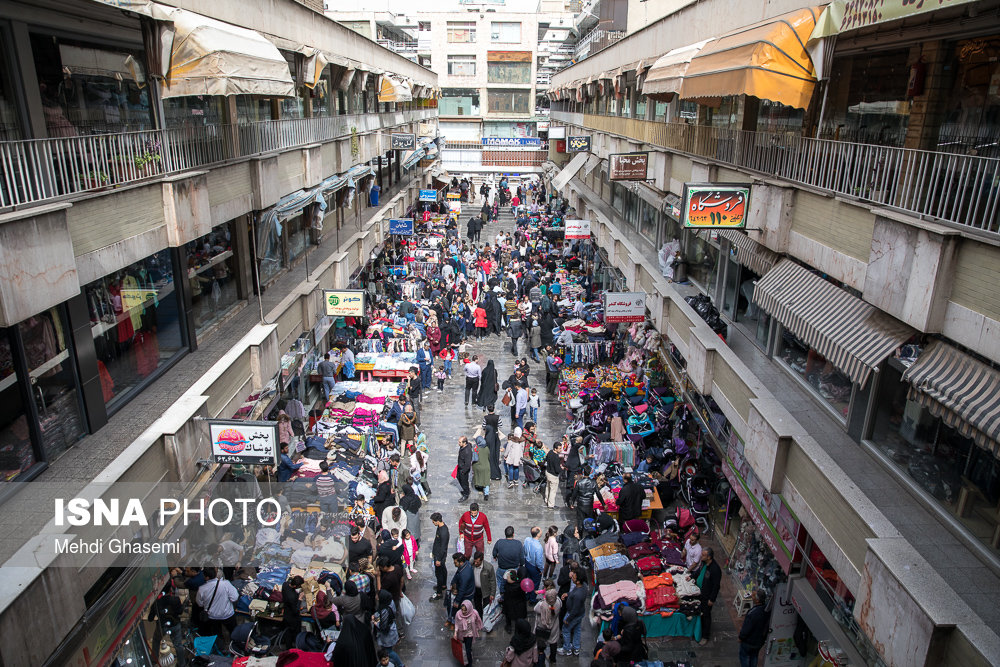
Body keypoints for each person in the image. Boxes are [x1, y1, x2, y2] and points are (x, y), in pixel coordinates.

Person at [196, 567, 239, 640]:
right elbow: (235, 597)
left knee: (217, 635)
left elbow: (200, 604)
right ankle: (235, 646)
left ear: (206, 577)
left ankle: (220, 648)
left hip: (213, 616)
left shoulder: (201, 589)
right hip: (227, 614)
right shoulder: (225, 584)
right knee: (234, 632)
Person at [558, 568, 587, 656]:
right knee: (577, 630)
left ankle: (567, 649)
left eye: (574, 578)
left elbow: (575, 610)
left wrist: (568, 619)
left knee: (566, 630)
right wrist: (568, 594)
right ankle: (576, 648)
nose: (572, 578)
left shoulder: (578, 595)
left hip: (573, 614)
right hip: (580, 613)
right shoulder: (583, 586)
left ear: (578, 581)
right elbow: (573, 593)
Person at [738, 589, 770, 667]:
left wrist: (741, 637)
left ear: (757, 600)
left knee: (744, 656)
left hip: (749, 641)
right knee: (754, 656)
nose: (751, 597)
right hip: (759, 641)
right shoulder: (767, 610)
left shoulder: (753, 613)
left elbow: (747, 629)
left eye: (753, 596)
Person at [698, 547, 722, 646]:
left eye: (703, 555)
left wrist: (712, 599)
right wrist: (691, 577)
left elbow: (716, 586)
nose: (701, 556)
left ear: (709, 557)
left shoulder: (715, 569)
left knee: (706, 615)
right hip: (700, 593)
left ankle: (705, 636)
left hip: (707, 597)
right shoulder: (704, 564)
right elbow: (699, 572)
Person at [493, 526, 525, 597]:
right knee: (515, 580)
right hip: (515, 569)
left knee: (500, 581)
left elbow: (494, 553)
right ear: (513, 534)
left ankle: (502, 594)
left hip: (502, 569)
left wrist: (495, 557)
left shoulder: (499, 542)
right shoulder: (518, 544)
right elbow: (522, 558)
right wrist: (521, 565)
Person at [374, 590, 403, 666]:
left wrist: (375, 622)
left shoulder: (384, 610)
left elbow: (383, 625)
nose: (377, 597)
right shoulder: (390, 602)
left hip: (387, 635)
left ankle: (400, 664)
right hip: (391, 629)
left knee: (388, 651)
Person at [533, 588, 561, 665]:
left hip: (542, 628)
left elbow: (535, 609)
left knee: (540, 642)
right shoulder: (558, 602)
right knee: (553, 642)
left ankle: (539, 657)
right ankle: (553, 658)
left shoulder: (541, 605)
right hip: (553, 627)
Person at [453, 600, 484, 667]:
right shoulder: (458, 614)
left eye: (465, 610)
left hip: (470, 634)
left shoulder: (474, 613)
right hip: (461, 634)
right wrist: (455, 633)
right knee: (464, 647)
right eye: (462, 610)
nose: (463, 612)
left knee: (467, 650)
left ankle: (469, 664)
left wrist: (477, 628)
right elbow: (457, 624)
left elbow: (478, 621)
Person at [430, 513, 450, 602]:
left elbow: (443, 547)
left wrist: (438, 559)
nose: (433, 523)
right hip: (438, 553)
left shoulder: (444, 532)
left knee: (439, 574)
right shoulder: (440, 528)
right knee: (443, 569)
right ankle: (443, 585)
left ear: (438, 521)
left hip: (440, 556)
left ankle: (439, 593)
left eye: (433, 522)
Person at [502, 568, 528, 633]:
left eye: (508, 577)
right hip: (519, 606)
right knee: (518, 618)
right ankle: (518, 629)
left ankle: (509, 626)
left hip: (509, 605)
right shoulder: (521, 585)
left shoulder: (508, 587)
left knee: (508, 616)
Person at [523, 527, 544, 603]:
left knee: (529, 580)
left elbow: (524, 550)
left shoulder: (527, 540)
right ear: (538, 534)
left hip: (527, 562)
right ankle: (532, 599)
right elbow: (539, 561)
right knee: (535, 583)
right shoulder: (538, 547)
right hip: (534, 567)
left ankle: (527, 595)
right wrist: (541, 569)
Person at [472, 551, 496, 615]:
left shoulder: (488, 567)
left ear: (481, 560)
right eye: (475, 561)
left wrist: (492, 594)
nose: (476, 563)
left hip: (485, 590)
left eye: (477, 562)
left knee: (486, 607)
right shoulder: (472, 564)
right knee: (477, 605)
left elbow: (492, 581)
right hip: (476, 590)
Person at [472, 434, 492, 502]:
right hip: (486, 466)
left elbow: (473, 458)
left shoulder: (476, 448)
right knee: (486, 481)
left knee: (478, 477)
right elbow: (489, 457)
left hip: (478, 466)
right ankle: (486, 494)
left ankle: (479, 486)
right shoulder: (487, 448)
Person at [543, 444, 562, 509]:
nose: (560, 450)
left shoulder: (550, 452)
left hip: (548, 472)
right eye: (559, 448)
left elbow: (546, 459)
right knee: (553, 490)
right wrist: (561, 468)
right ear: (555, 449)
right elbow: (557, 469)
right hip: (553, 475)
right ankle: (551, 504)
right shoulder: (556, 457)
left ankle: (546, 500)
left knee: (548, 487)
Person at [457, 436, 474, 501]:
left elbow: (468, 464)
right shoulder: (463, 447)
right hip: (460, 466)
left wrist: (463, 471)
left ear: (464, 443)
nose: (458, 443)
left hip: (464, 469)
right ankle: (466, 490)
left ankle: (466, 494)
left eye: (460, 442)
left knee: (464, 482)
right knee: (458, 477)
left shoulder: (467, 451)